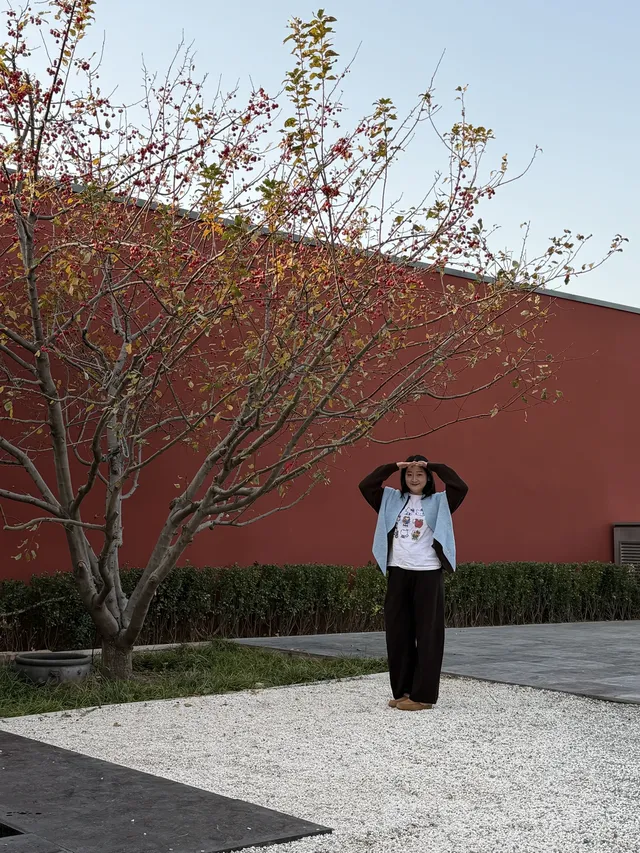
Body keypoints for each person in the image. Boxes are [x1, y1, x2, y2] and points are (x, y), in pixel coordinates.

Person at [359, 455, 468, 711]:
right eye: (409, 474)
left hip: (428, 573)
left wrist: (436, 467)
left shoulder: (440, 501)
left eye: (420, 474)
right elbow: (366, 485)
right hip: (398, 572)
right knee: (398, 634)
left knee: (428, 635)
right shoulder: (390, 499)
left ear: (428, 478)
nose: (414, 479)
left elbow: (460, 487)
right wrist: (391, 466)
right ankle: (403, 691)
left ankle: (423, 696)